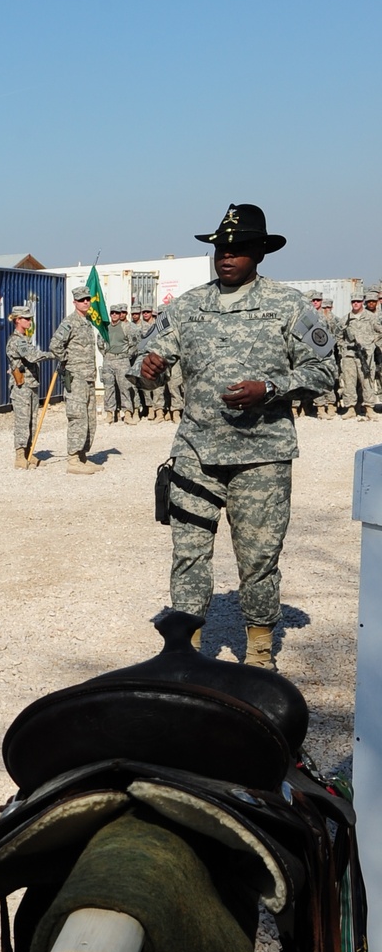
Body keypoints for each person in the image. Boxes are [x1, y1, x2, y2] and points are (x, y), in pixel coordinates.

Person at [134, 203, 335, 668]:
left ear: (260, 254)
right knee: (187, 555)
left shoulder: (288, 306)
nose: (227, 256)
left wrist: (270, 389)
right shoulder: (188, 306)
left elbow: (323, 369)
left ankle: (260, 654)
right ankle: (186, 654)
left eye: (239, 248)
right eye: (221, 248)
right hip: (195, 454)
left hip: (260, 457)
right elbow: (147, 363)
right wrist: (148, 371)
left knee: (259, 559)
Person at [47, 284, 99, 474]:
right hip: (76, 378)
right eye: (82, 300)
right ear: (74, 302)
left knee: (90, 418)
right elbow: (55, 345)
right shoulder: (69, 322)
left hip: (89, 377)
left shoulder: (87, 323)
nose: (86, 302)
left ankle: (83, 455)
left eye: (88, 299)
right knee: (77, 417)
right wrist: (66, 362)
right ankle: (73, 459)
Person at [6, 306, 53, 468]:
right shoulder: (16, 340)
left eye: (30, 318)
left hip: (31, 384)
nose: (29, 321)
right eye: (26, 318)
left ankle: (29, 452)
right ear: (17, 320)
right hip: (21, 387)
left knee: (32, 421)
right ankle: (20, 455)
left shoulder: (25, 339)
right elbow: (32, 356)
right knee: (22, 420)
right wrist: (53, 354)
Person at [339, 291, 380, 419]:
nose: (355, 304)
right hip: (349, 355)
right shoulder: (345, 319)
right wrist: (343, 349)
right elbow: (339, 336)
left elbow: (380, 331)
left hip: (365, 355)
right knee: (349, 382)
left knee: (367, 380)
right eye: (353, 302)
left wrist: (371, 343)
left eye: (358, 301)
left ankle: (369, 408)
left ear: (362, 302)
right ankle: (350, 408)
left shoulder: (370, 317)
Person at [99, 302, 136, 424]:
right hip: (108, 361)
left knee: (125, 388)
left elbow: (133, 344)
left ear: (120, 314)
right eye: (112, 313)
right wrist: (105, 354)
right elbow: (99, 343)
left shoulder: (126, 327)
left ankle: (127, 414)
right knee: (109, 388)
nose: (114, 315)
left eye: (117, 313)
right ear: (110, 315)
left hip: (122, 360)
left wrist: (127, 355)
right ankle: (110, 414)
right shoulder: (105, 328)